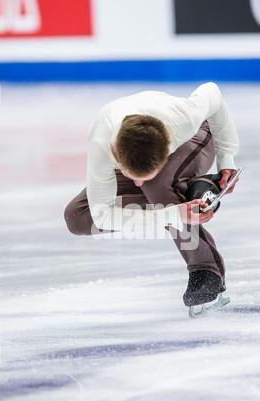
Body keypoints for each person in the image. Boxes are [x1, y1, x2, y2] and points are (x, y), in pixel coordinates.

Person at [64, 82, 240, 312]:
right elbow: (101, 216)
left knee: (159, 185)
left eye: (142, 177)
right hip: (137, 152)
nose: (137, 184)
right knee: (78, 216)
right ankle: (191, 190)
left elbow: (212, 93)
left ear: (166, 149)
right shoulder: (101, 146)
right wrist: (172, 213)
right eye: (132, 176)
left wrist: (226, 158)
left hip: (195, 138)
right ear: (115, 153)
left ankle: (206, 270)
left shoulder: (183, 119)